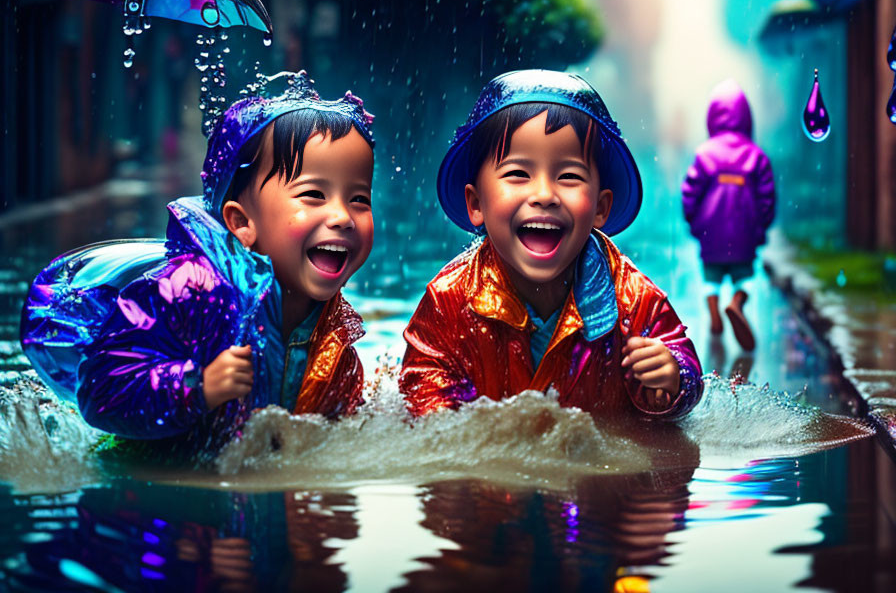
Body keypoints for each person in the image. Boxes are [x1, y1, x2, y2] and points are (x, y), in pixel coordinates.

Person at [20, 71, 375, 456]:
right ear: (241, 222)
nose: (343, 216)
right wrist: (198, 386)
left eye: (359, 199)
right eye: (313, 194)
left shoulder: (333, 327)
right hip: (151, 490)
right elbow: (100, 390)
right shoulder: (191, 288)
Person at [399, 70, 702, 419]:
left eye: (569, 177)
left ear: (601, 207)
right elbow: (421, 377)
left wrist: (675, 377)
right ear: (476, 204)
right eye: (518, 174)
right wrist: (446, 423)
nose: (544, 195)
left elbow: (681, 360)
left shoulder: (634, 301)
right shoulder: (449, 300)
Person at [681, 79, 775, 351]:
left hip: (711, 234)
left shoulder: (704, 155)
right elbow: (766, 198)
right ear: (746, 117)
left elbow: (690, 193)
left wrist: (695, 223)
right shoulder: (756, 156)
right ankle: (737, 303)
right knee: (745, 276)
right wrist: (760, 227)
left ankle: (713, 310)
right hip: (745, 232)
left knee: (710, 277)